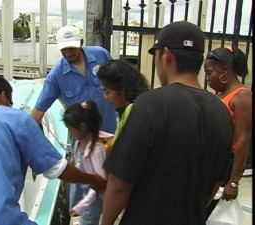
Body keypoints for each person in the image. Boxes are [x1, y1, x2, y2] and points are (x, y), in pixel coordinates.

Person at [100, 21, 234, 225]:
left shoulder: (150, 104)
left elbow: (119, 183)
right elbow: (216, 182)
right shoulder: (221, 112)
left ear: (166, 55)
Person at [0, 76, 107, 225]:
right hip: (1, 218)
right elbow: (57, 169)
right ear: (3, 95)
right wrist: (95, 180)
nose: (10, 107)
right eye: (10, 103)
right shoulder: (16, 118)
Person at [31, 25, 116, 134]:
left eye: (71, 48)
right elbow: (39, 109)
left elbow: (118, 82)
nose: (68, 53)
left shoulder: (101, 55)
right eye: (64, 49)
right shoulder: (56, 76)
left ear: (81, 42)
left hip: (110, 133)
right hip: (83, 141)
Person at [204, 46, 252, 218]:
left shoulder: (242, 96)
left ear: (225, 70)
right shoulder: (220, 93)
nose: (207, 78)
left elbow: (242, 140)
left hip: (225, 166)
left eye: (209, 73)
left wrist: (233, 181)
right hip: (212, 162)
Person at [62, 100, 113, 225]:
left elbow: (99, 183)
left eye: (71, 129)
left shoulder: (96, 150)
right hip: (83, 193)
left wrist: (82, 206)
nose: (70, 133)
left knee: (89, 221)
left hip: (92, 199)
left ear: (83, 127)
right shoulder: (78, 143)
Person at [96, 59, 149, 144]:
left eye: (107, 91)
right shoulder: (141, 105)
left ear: (122, 89)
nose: (105, 97)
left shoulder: (133, 111)